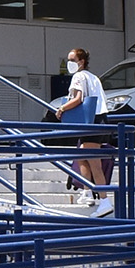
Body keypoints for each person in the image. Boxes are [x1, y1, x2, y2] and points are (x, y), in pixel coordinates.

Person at [52, 46, 111, 210]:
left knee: (94, 163)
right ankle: (87, 192)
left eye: (72, 60)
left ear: (81, 61)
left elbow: (78, 99)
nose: (69, 63)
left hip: (90, 121)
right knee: (81, 155)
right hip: (99, 119)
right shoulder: (93, 77)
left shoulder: (78, 76)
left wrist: (62, 109)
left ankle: (104, 200)